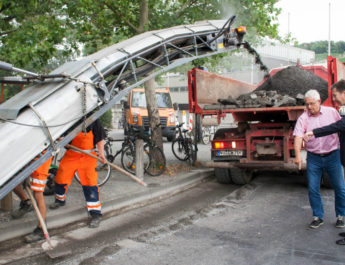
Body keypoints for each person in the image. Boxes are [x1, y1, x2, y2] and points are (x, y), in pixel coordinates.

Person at [293, 89, 345, 229]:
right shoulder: (303, 118)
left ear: (319, 101)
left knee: (340, 187)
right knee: (313, 188)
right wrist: (298, 156)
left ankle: (341, 216)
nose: (309, 107)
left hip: (333, 155)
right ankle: (317, 216)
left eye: (311, 103)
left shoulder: (332, 113)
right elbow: (298, 136)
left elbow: (341, 128)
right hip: (314, 157)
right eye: (307, 104)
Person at [49, 120, 106, 228]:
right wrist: (64, 142)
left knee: (90, 183)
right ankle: (60, 200)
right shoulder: (71, 119)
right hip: (72, 155)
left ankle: (95, 213)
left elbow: (100, 137)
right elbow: (65, 140)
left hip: (88, 156)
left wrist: (101, 153)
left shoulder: (94, 120)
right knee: (61, 177)